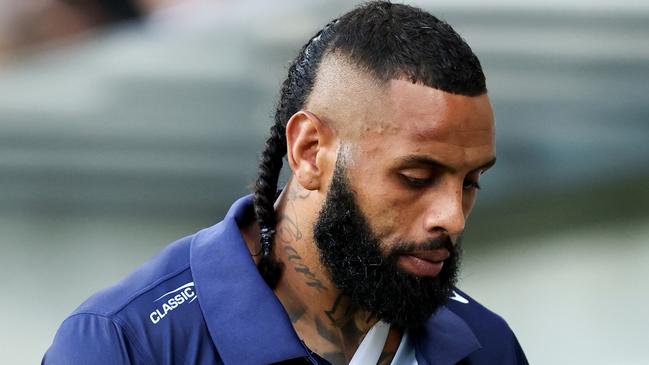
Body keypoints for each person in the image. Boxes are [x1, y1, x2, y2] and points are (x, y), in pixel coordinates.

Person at [43, 2, 528, 364]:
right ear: (309, 151)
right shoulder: (126, 344)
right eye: (416, 177)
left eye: (471, 182)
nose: (453, 216)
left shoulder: (487, 345)